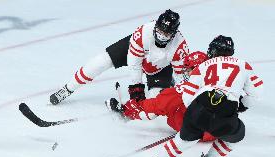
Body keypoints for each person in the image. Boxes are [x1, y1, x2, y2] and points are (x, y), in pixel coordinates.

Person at [140, 35, 264, 157]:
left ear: (212, 51)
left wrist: (194, 115)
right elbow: (257, 92)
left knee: (183, 141)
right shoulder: (244, 65)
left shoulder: (203, 65)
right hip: (225, 111)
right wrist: (242, 105)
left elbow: (188, 95)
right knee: (237, 133)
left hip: (198, 107)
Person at [49, 9, 189, 105]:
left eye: (166, 34)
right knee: (100, 62)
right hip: (136, 54)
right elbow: (134, 64)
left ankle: (165, 86)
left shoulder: (180, 47)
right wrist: (136, 86)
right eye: (159, 30)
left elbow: (182, 78)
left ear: (174, 33)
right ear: (155, 25)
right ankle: (68, 88)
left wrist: (184, 99)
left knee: (156, 99)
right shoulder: (142, 33)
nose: (161, 35)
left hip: (160, 68)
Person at [106, 51, 215, 142]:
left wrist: (135, 104)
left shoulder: (187, 87)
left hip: (195, 131)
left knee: (164, 105)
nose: (186, 72)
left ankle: (125, 113)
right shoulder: (219, 80)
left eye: (189, 70)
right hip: (217, 130)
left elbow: (158, 105)